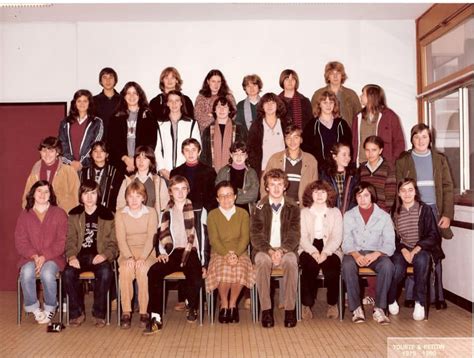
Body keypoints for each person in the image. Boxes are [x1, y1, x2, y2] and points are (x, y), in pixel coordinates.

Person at [395, 123, 453, 309]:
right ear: (412, 139)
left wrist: (447, 214)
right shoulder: (403, 159)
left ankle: (438, 296)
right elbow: (398, 186)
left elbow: (447, 187)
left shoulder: (440, 159)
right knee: (412, 248)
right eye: (416, 137)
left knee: (433, 252)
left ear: (430, 139)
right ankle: (411, 295)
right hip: (411, 209)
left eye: (424, 137)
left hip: (434, 211)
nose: (420, 140)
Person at [144, 176, 203, 334]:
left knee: (195, 273)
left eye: (184, 188)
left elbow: (203, 236)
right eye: (176, 189)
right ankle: (155, 317)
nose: (180, 192)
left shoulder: (197, 209)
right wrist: (161, 253)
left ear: (188, 190)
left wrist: (204, 262)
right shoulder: (166, 212)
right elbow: (160, 235)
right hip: (173, 252)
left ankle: (191, 305)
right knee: (153, 271)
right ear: (170, 192)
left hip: (191, 251)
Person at [387, 178, 444, 321]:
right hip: (402, 249)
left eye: (410, 190)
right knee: (397, 267)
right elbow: (391, 237)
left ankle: (419, 302)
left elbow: (433, 235)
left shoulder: (425, 209)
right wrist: (404, 250)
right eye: (403, 191)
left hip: (422, 248)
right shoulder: (394, 212)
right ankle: (391, 298)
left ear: (415, 192)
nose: (407, 194)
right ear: (399, 194)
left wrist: (417, 248)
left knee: (422, 260)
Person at [170, 138, 217, 310]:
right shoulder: (176, 171)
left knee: (198, 254)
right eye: (187, 149)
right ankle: (183, 298)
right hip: (181, 215)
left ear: (199, 151)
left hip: (200, 215)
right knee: (182, 250)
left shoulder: (209, 171)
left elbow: (212, 197)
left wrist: (207, 215)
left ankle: (200, 299)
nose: (190, 153)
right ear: (182, 152)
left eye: (193, 149)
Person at [63, 180, 118, 328]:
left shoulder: (107, 215)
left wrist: (105, 255)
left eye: (93, 193)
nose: (89, 197)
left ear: (98, 195)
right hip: (79, 255)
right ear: (80, 196)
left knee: (106, 272)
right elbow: (70, 240)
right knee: (67, 273)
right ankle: (76, 313)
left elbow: (114, 243)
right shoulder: (74, 215)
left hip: (99, 255)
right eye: (85, 193)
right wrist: (72, 256)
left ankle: (99, 314)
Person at [251, 169, 300, 328]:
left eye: (280, 184)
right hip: (264, 249)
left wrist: (282, 250)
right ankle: (266, 310)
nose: (277, 188)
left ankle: (290, 310)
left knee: (291, 262)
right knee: (262, 262)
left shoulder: (293, 206)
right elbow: (255, 235)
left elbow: (294, 233)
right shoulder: (259, 206)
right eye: (273, 184)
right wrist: (271, 251)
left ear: (285, 186)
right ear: (267, 187)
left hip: (286, 249)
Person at [341, 182, 395, 325]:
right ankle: (356, 308)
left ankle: (379, 308)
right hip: (354, 253)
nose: (363, 199)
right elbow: (346, 242)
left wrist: (376, 254)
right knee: (347, 266)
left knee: (387, 266)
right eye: (359, 196)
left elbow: (390, 244)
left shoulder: (384, 217)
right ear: (355, 198)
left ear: (372, 196)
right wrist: (356, 255)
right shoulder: (349, 215)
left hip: (376, 253)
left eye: (366, 195)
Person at [15, 180, 68, 324]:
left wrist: (45, 256)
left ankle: (50, 307)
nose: (42, 194)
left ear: (51, 195)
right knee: (26, 273)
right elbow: (20, 242)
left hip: (53, 257)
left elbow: (62, 241)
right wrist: (34, 255)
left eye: (46, 191)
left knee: (47, 273)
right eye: (39, 191)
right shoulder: (25, 215)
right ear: (33, 193)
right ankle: (33, 307)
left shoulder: (59, 213)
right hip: (29, 258)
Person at [205, 181, 255, 324]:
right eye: (222, 196)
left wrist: (236, 254)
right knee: (223, 269)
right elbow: (214, 240)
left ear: (235, 197)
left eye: (229, 195)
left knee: (239, 268)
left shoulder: (243, 213)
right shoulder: (213, 215)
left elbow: (245, 238)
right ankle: (224, 304)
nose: (226, 199)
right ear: (217, 199)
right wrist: (227, 255)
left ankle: (232, 304)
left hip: (240, 252)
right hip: (219, 253)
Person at [115, 181, 158, 329]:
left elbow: (152, 238)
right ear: (126, 198)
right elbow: (120, 238)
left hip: (147, 252)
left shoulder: (151, 212)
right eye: (130, 196)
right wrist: (128, 257)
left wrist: (142, 258)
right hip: (127, 252)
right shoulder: (120, 213)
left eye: (138, 196)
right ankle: (126, 311)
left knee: (143, 270)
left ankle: (144, 312)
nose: (134, 200)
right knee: (125, 270)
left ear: (143, 197)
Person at [299, 180, 342, 320]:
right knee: (309, 267)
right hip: (308, 247)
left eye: (323, 192)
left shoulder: (335, 213)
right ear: (310, 194)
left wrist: (325, 252)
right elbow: (302, 237)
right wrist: (313, 251)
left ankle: (332, 303)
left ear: (328, 194)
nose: (319, 195)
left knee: (332, 268)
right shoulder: (304, 213)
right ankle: (306, 304)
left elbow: (337, 237)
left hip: (330, 248)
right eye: (316, 192)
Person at [262, 124, 318, 207]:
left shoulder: (311, 160)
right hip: (279, 207)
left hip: (302, 208)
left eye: (296, 137)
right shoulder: (275, 159)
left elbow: (315, 187)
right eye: (288, 138)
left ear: (301, 139)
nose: (292, 142)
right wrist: (267, 206)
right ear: (284, 140)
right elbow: (264, 184)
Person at [108, 81, 157, 174]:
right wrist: (125, 158)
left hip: (143, 164)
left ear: (140, 95)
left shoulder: (148, 116)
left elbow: (151, 142)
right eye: (128, 93)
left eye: (135, 93)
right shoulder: (115, 117)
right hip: (121, 164)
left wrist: (138, 160)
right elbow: (112, 142)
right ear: (124, 96)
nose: (132, 96)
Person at [352, 84, 405, 167]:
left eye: (363, 94)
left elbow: (399, 143)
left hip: (383, 167)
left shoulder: (390, 117)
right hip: (361, 166)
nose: (360, 96)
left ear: (371, 97)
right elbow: (353, 142)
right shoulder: (357, 117)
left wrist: (391, 163)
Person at [22, 136, 80, 213]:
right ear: (40, 152)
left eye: (51, 151)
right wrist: (31, 213)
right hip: (38, 216)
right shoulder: (35, 172)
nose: (47, 154)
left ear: (57, 152)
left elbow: (76, 198)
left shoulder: (69, 171)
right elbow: (27, 196)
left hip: (63, 217)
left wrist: (63, 215)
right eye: (44, 151)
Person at [155, 90, 201, 180]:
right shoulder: (160, 123)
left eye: (177, 100)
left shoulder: (191, 123)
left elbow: (197, 147)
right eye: (171, 101)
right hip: (165, 172)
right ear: (167, 103)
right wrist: (161, 169)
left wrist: (189, 167)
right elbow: (157, 148)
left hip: (186, 172)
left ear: (181, 103)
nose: (174, 104)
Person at [302, 90, 352, 172]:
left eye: (331, 102)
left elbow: (348, 147)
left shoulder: (342, 124)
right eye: (325, 102)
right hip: (319, 170)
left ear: (335, 104)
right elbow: (306, 149)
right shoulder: (312, 125)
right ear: (319, 105)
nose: (328, 105)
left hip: (339, 169)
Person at [116, 145, 169, 220]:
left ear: (151, 161)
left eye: (145, 158)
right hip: (131, 223)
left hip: (153, 224)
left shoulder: (159, 181)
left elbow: (165, 206)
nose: (141, 161)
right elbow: (120, 206)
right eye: (138, 158)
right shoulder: (127, 181)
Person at [58, 89, 104, 171]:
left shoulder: (97, 122)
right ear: (75, 103)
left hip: (88, 166)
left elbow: (95, 145)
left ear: (89, 103)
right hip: (69, 166)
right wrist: (71, 162)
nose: (82, 104)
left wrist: (81, 163)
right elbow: (62, 143)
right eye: (79, 101)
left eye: (85, 101)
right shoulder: (65, 122)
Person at [200, 96, 247, 172]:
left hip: (235, 171)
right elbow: (204, 155)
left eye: (225, 107)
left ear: (229, 110)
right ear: (215, 110)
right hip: (212, 173)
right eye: (218, 107)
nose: (221, 110)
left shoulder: (240, 129)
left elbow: (245, 151)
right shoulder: (208, 130)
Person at [247, 92, 289, 176]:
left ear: (277, 105)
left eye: (273, 103)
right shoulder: (256, 125)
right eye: (266, 103)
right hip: (263, 169)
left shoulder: (285, 124)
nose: (269, 106)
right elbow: (250, 149)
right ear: (262, 106)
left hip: (282, 169)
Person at [311, 61, 361, 128]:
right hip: (323, 134)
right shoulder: (318, 94)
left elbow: (359, 118)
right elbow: (312, 116)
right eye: (332, 74)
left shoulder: (351, 95)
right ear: (328, 77)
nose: (335, 76)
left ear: (342, 76)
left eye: (338, 73)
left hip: (346, 134)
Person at [215, 141, 259, 213]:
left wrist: (231, 196)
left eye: (242, 154)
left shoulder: (252, 173)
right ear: (231, 155)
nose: (239, 157)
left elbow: (254, 195)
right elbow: (219, 192)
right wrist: (242, 192)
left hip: (246, 209)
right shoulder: (223, 171)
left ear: (246, 155)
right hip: (226, 208)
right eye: (236, 154)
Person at [80, 140, 123, 212]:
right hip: (88, 211)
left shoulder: (115, 172)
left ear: (107, 154)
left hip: (109, 212)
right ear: (91, 154)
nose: (98, 154)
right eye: (95, 151)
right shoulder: (84, 172)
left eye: (102, 151)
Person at [358, 136, 396, 213]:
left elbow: (390, 198)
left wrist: (381, 215)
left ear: (380, 150)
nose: (370, 154)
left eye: (374, 150)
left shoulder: (388, 168)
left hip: (381, 214)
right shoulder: (361, 168)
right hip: (363, 212)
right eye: (367, 150)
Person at [319, 142, 359, 215]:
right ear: (334, 157)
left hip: (349, 216)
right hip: (330, 216)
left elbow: (355, 198)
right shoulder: (325, 175)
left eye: (349, 155)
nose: (348, 158)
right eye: (344, 155)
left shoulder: (353, 175)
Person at [194, 69, 236, 133]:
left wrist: (211, 115)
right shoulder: (201, 98)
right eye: (213, 81)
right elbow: (199, 118)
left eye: (218, 81)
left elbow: (233, 115)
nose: (216, 85)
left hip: (226, 132)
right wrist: (220, 116)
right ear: (208, 82)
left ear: (222, 83)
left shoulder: (228, 97)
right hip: (206, 134)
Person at [93, 67, 121, 141]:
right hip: (100, 143)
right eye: (104, 77)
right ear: (101, 81)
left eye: (111, 77)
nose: (108, 80)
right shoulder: (93, 101)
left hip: (119, 142)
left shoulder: (123, 100)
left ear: (115, 80)